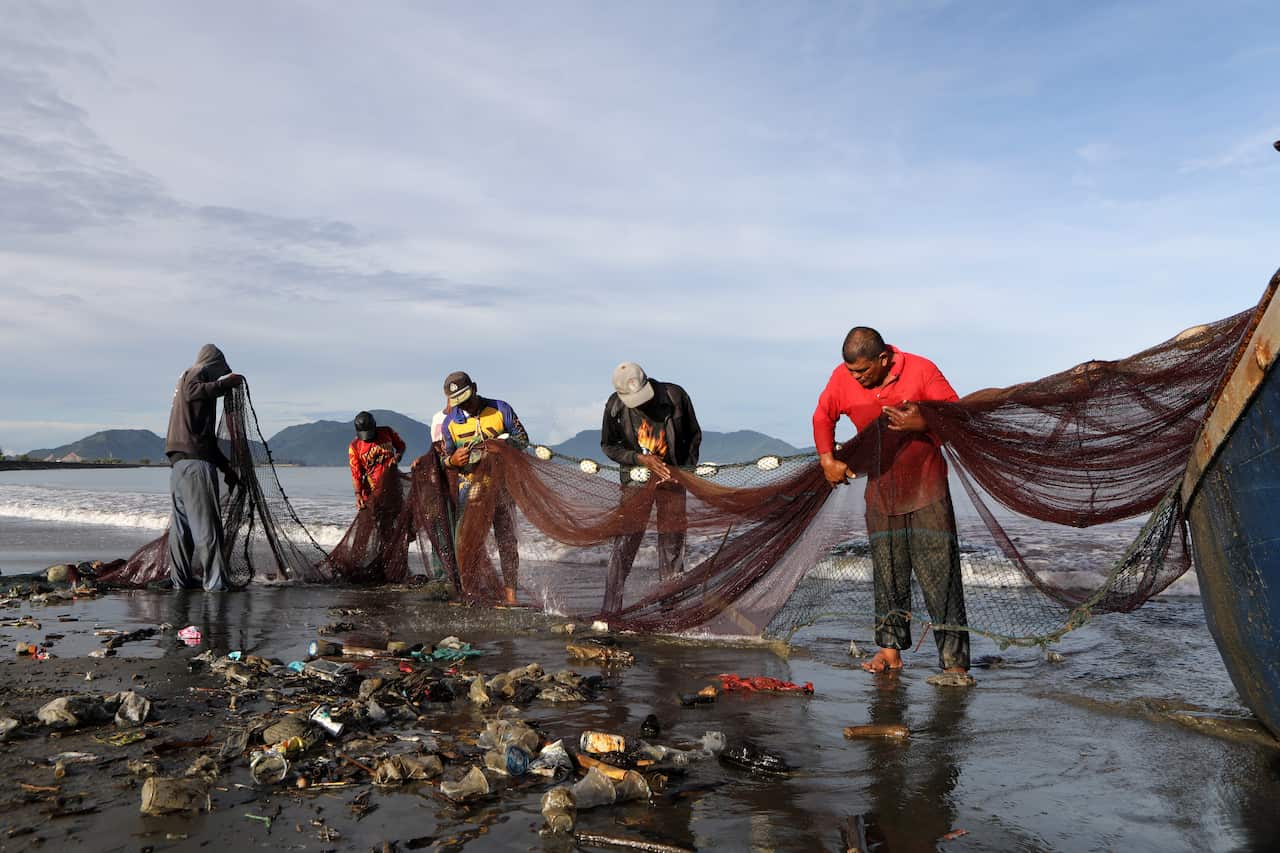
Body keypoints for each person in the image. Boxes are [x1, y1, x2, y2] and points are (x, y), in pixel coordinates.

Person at [812, 327, 970, 679]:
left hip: (926, 489)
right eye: (851, 371)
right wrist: (826, 458)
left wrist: (924, 420)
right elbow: (822, 416)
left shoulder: (922, 370)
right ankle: (889, 653)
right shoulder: (842, 378)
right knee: (888, 574)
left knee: (940, 576)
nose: (856, 377)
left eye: (862, 371)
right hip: (881, 491)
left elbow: (957, 417)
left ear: (883, 360)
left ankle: (954, 663)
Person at [599, 362, 701, 615]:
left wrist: (684, 472)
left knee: (672, 544)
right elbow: (609, 446)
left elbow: (694, 436)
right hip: (636, 482)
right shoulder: (615, 406)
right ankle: (611, 610)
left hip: (672, 480)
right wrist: (639, 459)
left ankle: (670, 609)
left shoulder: (675, 396)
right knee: (625, 542)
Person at [440, 371, 529, 604]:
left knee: (507, 541)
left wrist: (504, 444)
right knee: (467, 542)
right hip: (469, 490)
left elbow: (523, 440)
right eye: (458, 402)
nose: (465, 406)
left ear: (475, 388)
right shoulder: (450, 424)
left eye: (467, 398)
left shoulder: (501, 409)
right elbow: (445, 458)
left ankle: (511, 595)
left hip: (502, 486)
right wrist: (453, 460)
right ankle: (469, 592)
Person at [164, 344, 243, 591]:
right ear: (213, 364)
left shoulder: (189, 396)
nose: (218, 377)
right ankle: (216, 584)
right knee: (207, 526)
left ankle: (180, 580)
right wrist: (227, 384)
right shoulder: (195, 373)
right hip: (195, 465)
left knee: (182, 529)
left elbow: (206, 441)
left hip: (179, 464)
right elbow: (194, 390)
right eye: (218, 372)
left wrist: (226, 469)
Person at [348, 411, 405, 510]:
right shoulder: (354, 447)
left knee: (397, 516)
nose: (367, 437)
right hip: (372, 492)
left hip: (393, 486)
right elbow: (356, 475)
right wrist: (358, 495)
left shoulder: (387, 432)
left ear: (374, 425)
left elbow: (401, 446)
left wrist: (398, 456)